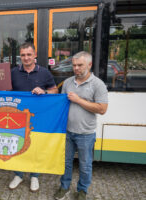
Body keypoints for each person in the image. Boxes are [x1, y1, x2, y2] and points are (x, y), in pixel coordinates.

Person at [0, 42, 58, 192]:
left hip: (38, 117)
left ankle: (34, 176)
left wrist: (45, 92)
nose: (26, 58)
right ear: (20, 56)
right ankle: (19, 174)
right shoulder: (13, 72)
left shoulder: (45, 73)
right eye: (23, 55)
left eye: (29, 54)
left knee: (35, 146)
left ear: (35, 55)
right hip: (18, 118)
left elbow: (54, 90)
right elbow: (4, 91)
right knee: (18, 145)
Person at [54, 51, 108, 200]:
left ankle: (82, 190)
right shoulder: (67, 82)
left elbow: (102, 109)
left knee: (85, 166)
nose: (76, 68)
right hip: (68, 132)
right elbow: (61, 104)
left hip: (86, 134)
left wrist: (79, 100)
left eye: (80, 65)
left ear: (89, 65)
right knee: (65, 163)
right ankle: (64, 187)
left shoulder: (98, 84)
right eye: (74, 65)